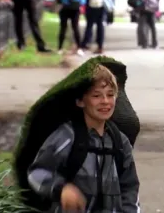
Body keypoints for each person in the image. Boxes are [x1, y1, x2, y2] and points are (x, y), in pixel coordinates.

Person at [26, 64, 140, 212]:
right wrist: (61, 189)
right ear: (80, 101)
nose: (105, 101)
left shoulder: (120, 141)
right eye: (96, 95)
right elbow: (37, 172)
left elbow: (130, 187)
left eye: (110, 95)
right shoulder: (66, 136)